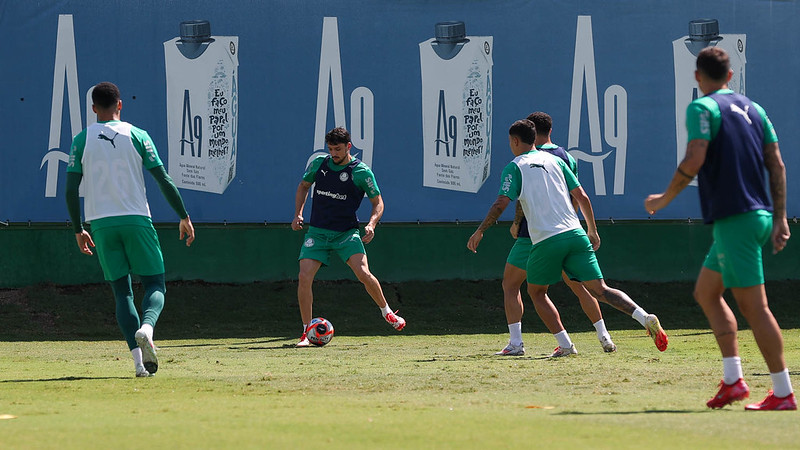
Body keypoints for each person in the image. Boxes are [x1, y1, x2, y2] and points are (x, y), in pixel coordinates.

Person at [645, 47, 795, 410]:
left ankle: (784, 393)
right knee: (707, 292)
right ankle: (733, 381)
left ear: (698, 77)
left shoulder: (702, 107)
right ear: (730, 76)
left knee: (755, 308)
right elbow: (776, 164)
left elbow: (694, 157)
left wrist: (665, 198)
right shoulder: (755, 109)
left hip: (736, 220)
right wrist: (779, 218)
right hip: (756, 217)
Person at [469, 119, 667, 357]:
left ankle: (562, 345)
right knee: (600, 290)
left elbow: (501, 203)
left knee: (537, 292)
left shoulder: (514, 166)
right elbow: (582, 196)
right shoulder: (557, 161)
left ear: (515, 141)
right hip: (576, 234)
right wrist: (592, 230)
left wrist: (481, 230)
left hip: (547, 239)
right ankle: (644, 317)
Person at [65, 82, 195, 378]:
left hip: (100, 224)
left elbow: (71, 189)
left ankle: (139, 364)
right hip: (136, 219)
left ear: (94, 108)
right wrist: (183, 215)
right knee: (155, 285)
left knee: (121, 292)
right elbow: (163, 178)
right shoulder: (138, 135)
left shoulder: (81, 139)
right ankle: (147, 328)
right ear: (120, 105)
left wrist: (78, 229)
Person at [495, 112, 616, 356]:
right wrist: (573, 223)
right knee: (581, 287)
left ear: (530, 132)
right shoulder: (566, 157)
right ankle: (604, 336)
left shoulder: (529, 158)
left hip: (534, 234)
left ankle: (517, 342)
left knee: (513, 284)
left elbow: (522, 198)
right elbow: (576, 195)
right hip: (567, 229)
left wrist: (516, 223)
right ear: (550, 130)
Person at [291, 127, 405, 347]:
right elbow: (303, 186)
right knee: (304, 277)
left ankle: (387, 312)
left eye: (338, 149)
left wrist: (371, 224)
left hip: (346, 233)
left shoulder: (361, 171)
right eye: (331, 149)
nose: (334, 153)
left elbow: (378, 202)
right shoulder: (319, 164)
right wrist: (298, 214)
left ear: (348, 147)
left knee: (363, 273)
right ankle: (306, 332)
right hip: (318, 232)